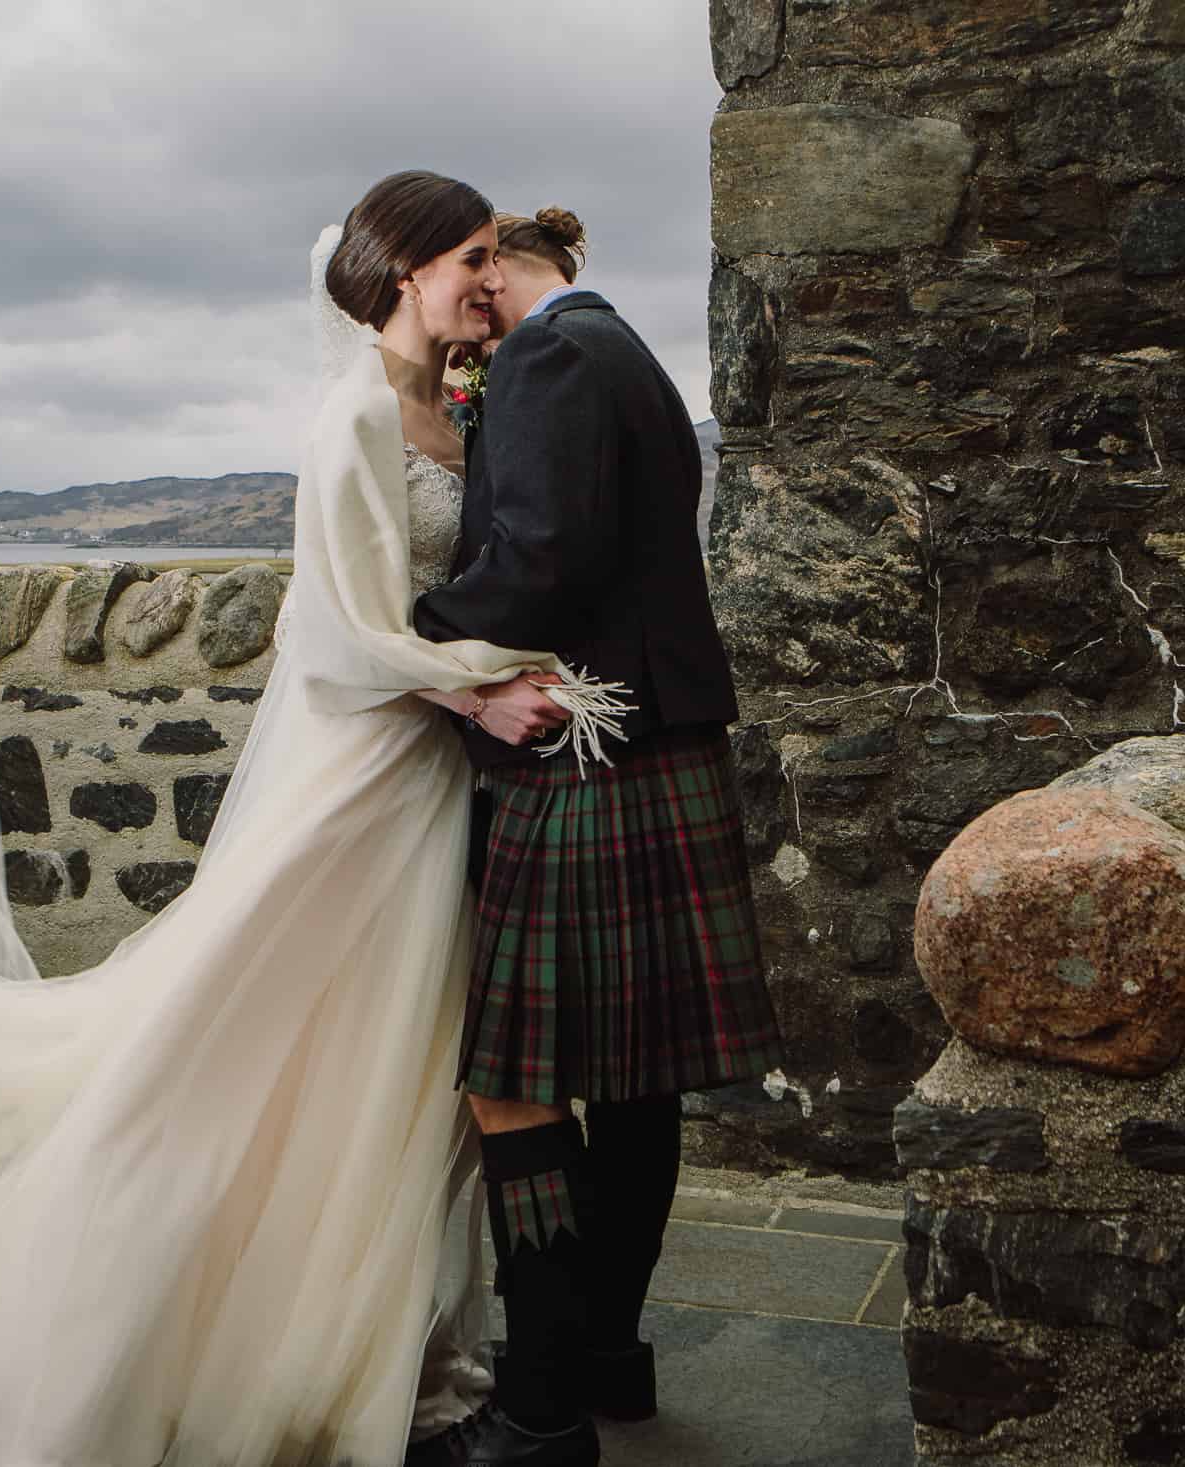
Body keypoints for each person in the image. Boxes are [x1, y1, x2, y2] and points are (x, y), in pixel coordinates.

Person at [0, 171, 628, 1467]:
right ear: (403, 270)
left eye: (490, 256)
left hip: (426, 781)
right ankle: (117, 1345)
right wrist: (490, 687)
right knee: (223, 1056)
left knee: (386, 1072)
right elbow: (348, 641)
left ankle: (356, 1334)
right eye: (471, 256)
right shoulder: (355, 415)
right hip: (362, 780)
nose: (489, 278)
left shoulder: (446, 404)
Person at [409, 208, 787, 1467]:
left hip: (587, 752)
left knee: (510, 1081)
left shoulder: (549, 355)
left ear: (506, 265)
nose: (471, 297)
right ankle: (612, 1361)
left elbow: (544, 559)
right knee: (633, 1083)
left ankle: (537, 1409)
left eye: (475, 268)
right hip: (655, 744)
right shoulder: (621, 346)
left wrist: (411, 629)